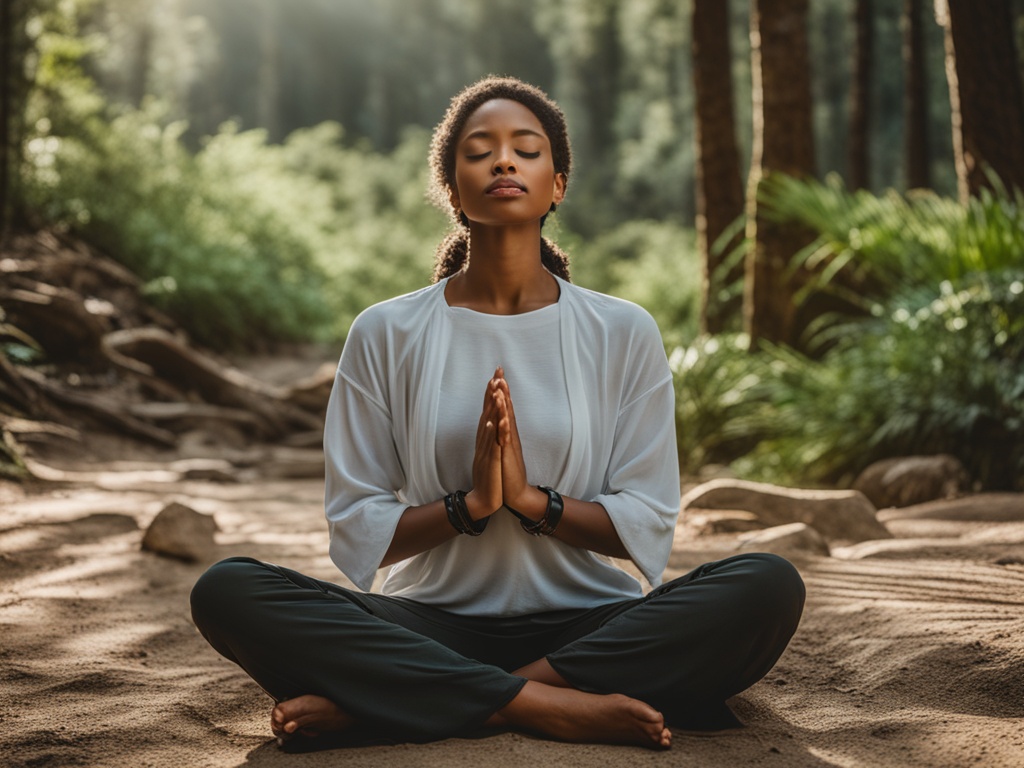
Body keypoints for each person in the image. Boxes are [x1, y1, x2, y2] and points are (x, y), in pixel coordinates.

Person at [190, 76, 805, 752]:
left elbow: (646, 518)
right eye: (480, 151)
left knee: (766, 585)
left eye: (526, 149)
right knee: (228, 590)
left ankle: (415, 700)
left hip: (590, 622)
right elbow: (360, 525)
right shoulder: (386, 332)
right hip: (424, 620)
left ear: (558, 183)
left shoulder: (621, 330)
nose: (504, 162)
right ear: (452, 190)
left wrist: (532, 502)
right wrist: (471, 506)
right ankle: (554, 702)